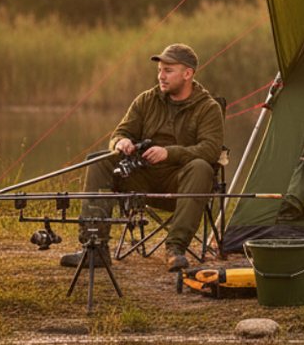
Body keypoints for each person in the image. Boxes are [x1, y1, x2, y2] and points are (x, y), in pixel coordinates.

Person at [62, 44, 224, 271]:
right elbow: (120, 133)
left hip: (180, 183)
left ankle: (175, 249)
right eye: (159, 70)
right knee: (99, 159)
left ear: (188, 74)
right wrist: (122, 142)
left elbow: (210, 150)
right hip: (141, 178)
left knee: (201, 167)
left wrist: (169, 153)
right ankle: (94, 249)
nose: (161, 76)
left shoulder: (208, 108)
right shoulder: (146, 100)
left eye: (168, 70)